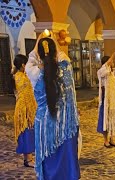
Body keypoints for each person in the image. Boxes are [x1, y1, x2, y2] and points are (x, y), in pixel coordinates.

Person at [26, 33, 80, 179]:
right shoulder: (65, 66)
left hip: (45, 124)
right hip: (66, 124)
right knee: (66, 163)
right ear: (56, 50)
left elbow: (31, 58)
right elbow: (62, 54)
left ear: (39, 53)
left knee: (48, 159)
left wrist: (39, 42)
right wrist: (52, 41)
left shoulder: (34, 72)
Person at [12, 54, 37, 168]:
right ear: (23, 65)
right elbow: (26, 94)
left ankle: (28, 158)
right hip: (24, 109)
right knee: (27, 133)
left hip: (25, 108)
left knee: (28, 132)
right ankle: (28, 159)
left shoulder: (19, 75)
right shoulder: (21, 77)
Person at [97, 52, 115, 148]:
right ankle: (106, 140)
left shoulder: (113, 73)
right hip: (106, 101)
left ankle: (113, 138)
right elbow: (104, 69)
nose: (112, 64)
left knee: (113, 119)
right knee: (106, 120)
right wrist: (112, 57)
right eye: (111, 62)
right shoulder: (102, 72)